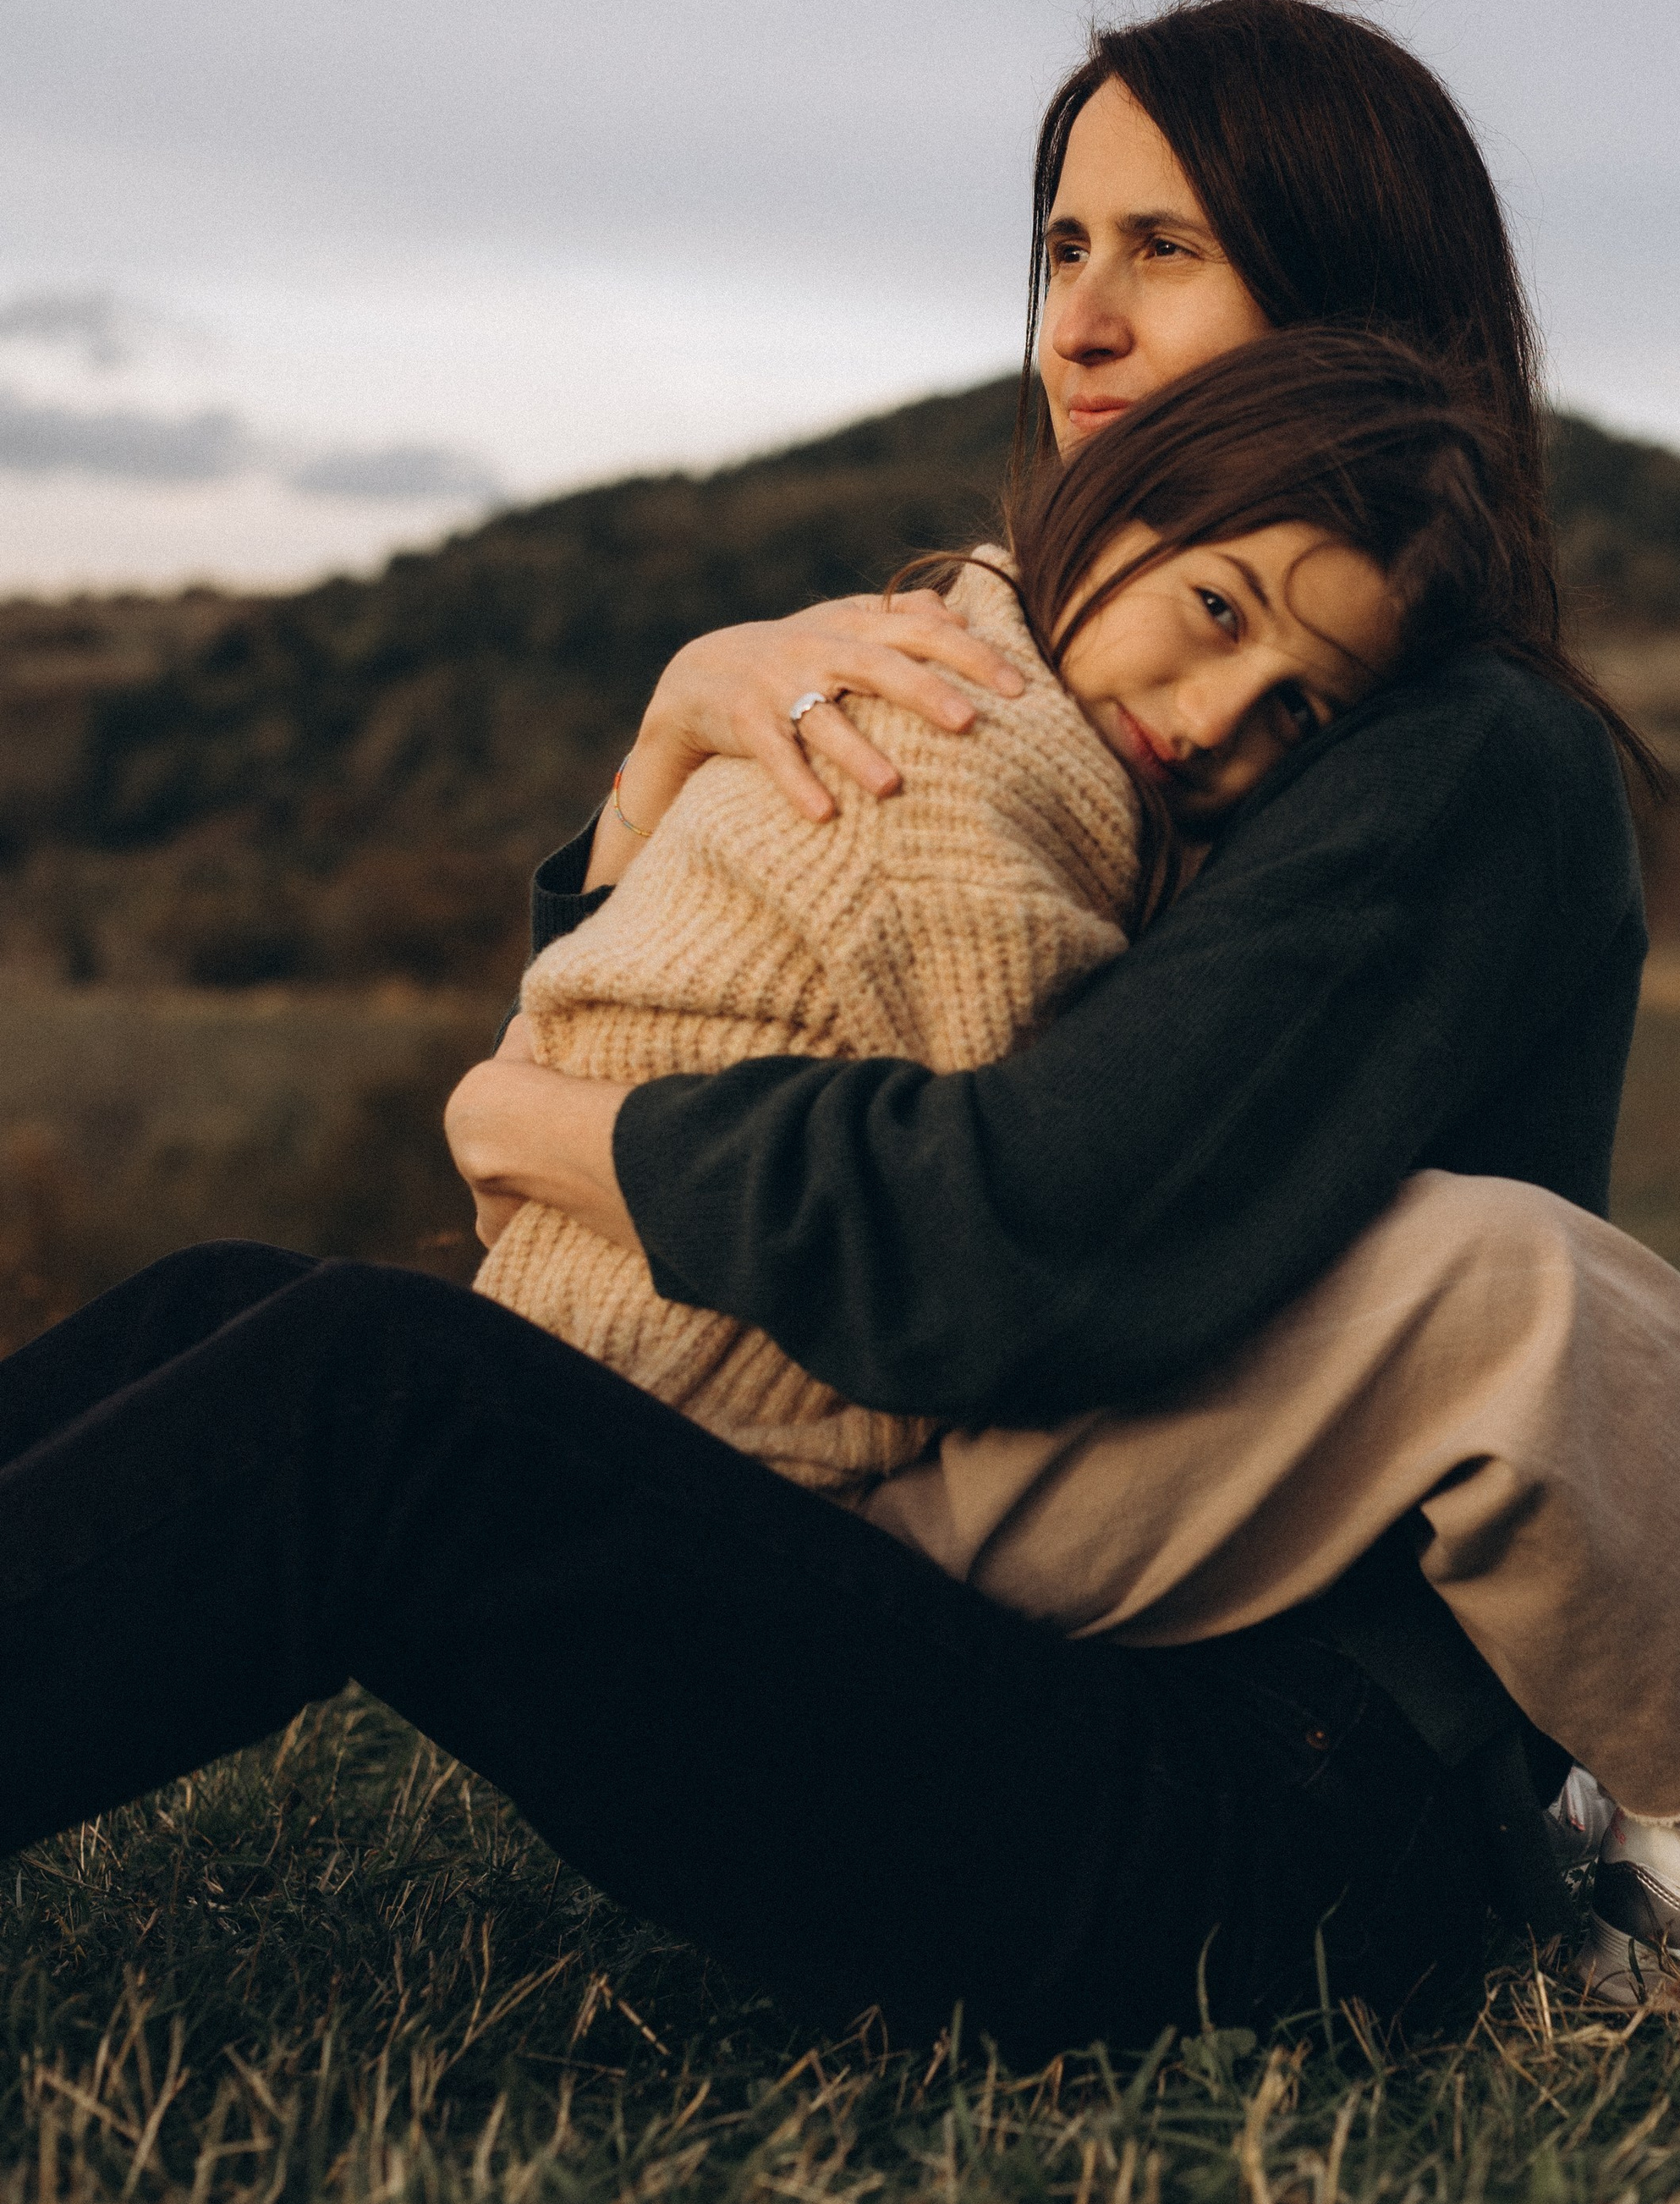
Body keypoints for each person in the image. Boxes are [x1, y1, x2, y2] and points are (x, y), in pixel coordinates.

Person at [0, 0, 1680, 2040]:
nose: (1082, 316)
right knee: (230, 1303)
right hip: (1047, 1635)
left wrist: (577, 1144)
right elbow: (735, 1027)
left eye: (1169, 249)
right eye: (1062, 245)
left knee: (371, 1399)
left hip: (1261, 1801)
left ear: (1343, 306)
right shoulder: (1076, 696)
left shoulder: (1451, 755)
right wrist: (654, 776)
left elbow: (1018, 1233)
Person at [476, 331, 1507, 1493]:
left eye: (1301, 716)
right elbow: (996, 1206)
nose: (1217, 719)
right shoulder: (971, 766)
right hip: (668, 1409)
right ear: (1122, 506)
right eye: (1218, 609)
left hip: (593, 1344)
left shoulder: (957, 640)